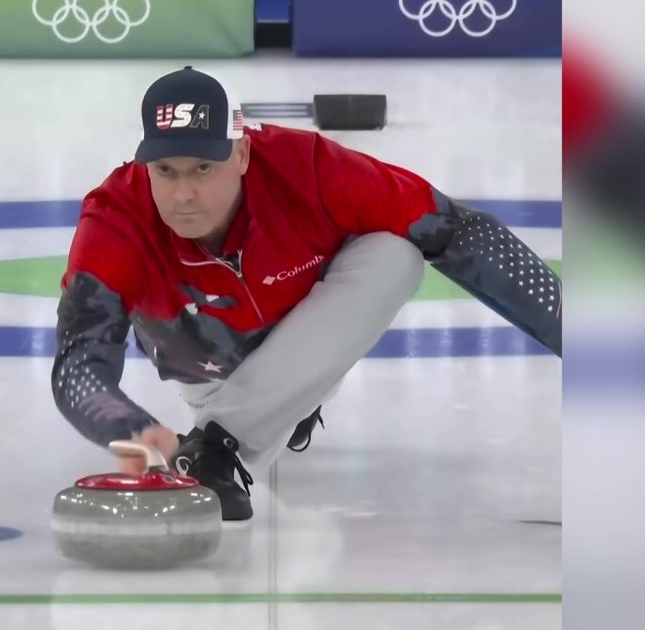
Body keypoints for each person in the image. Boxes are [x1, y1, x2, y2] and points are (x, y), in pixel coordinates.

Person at [53, 66, 562, 521]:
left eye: (203, 168)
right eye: (165, 171)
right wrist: (135, 432)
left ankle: (219, 444)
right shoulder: (116, 218)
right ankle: (265, 415)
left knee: (396, 253)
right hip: (207, 375)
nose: (183, 194)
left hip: (309, 347)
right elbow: (77, 364)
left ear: (242, 153)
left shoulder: (308, 168)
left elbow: (458, 230)